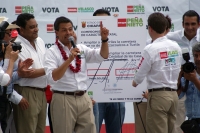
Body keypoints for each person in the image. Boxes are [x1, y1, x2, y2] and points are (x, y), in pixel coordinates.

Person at [44, 16, 109, 133]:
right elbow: (53, 77)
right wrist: (69, 59)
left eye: (70, 29)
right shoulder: (51, 52)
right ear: (57, 32)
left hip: (83, 98)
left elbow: (102, 56)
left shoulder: (81, 48)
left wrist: (104, 40)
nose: (68, 33)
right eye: (64, 30)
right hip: (63, 99)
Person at [132, 12, 182, 133]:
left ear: (150, 28)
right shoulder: (176, 46)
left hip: (158, 96)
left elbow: (140, 74)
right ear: (165, 28)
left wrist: (135, 82)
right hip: (174, 95)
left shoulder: (150, 48)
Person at [12, 13, 47, 133]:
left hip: (42, 92)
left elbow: (43, 65)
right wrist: (51, 69)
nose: (36, 29)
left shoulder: (40, 41)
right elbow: (28, 73)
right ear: (21, 29)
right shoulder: (16, 44)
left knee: (39, 130)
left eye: (36, 26)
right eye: (32, 27)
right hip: (26, 92)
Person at [166, 10, 200, 133]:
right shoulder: (171, 37)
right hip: (180, 83)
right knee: (178, 127)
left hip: (198, 83)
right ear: (182, 24)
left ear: (198, 24)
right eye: (187, 24)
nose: (189, 27)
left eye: (193, 24)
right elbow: (153, 43)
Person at [92, 9, 126, 133]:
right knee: (93, 130)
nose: (103, 24)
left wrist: (118, 21)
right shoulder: (84, 40)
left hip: (116, 95)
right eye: (100, 21)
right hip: (95, 96)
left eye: (107, 21)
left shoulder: (119, 36)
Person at [178, 42, 200, 132]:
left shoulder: (192, 77)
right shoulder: (189, 72)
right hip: (191, 121)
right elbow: (178, 95)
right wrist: (179, 76)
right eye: (196, 56)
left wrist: (194, 80)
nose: (198, 59)